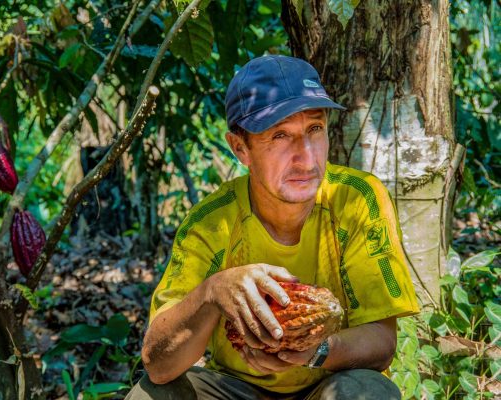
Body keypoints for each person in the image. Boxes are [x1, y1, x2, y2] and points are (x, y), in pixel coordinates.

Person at [126, 55, 420, 400]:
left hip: (325, 383)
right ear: (240, 148)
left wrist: (316, 350)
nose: (307, 159)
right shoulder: (211, 223)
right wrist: (212, 293)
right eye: (280, 136)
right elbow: (158, 364)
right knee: (151, 396)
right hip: (234, 389)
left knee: (369, 391)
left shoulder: (356, 200)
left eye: (315, 129)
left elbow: (383, 343)